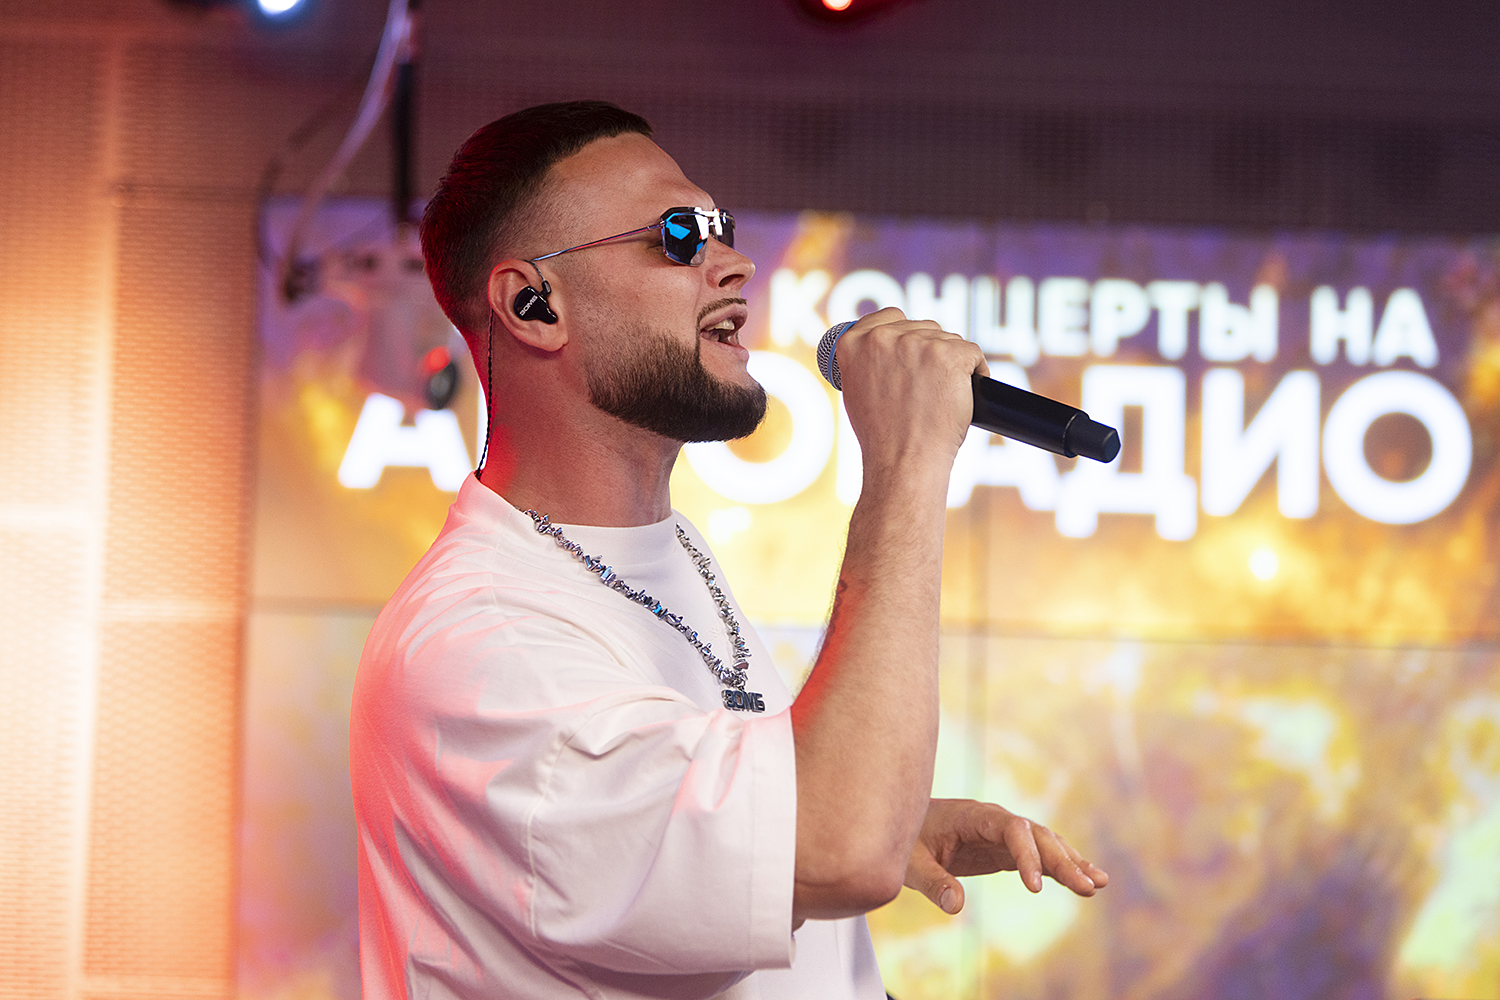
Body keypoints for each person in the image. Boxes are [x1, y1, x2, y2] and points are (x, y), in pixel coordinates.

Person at [349, 100, 1108, 1000]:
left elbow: (733, 835)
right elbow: (837, 848)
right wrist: (908, 462)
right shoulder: (482, 649)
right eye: (678, 235)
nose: (734, 264)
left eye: (722, 228)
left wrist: (868, 818)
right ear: (533, 304)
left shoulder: (658, 554)